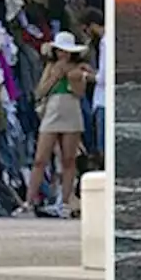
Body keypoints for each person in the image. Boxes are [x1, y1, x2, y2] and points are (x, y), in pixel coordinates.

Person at [14, 30, 92, 218]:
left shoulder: (80, 67)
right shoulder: (51, 67)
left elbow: (80, 93)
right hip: (52, 111)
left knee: (68, 159)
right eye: (59, 51)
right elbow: (39, 92)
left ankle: (65, 202)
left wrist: (74, 77)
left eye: (65, 51)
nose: (62, 55)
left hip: (71, 110)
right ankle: (29, 202)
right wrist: (55, 77)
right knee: (40, 159)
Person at [81, 8, 106, 168]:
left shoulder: (104, 42)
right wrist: (92, 71)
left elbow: (103, 78)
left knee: (102, 146)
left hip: (102, 101)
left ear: (92, 26)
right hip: (101, 99)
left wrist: (85, 76)